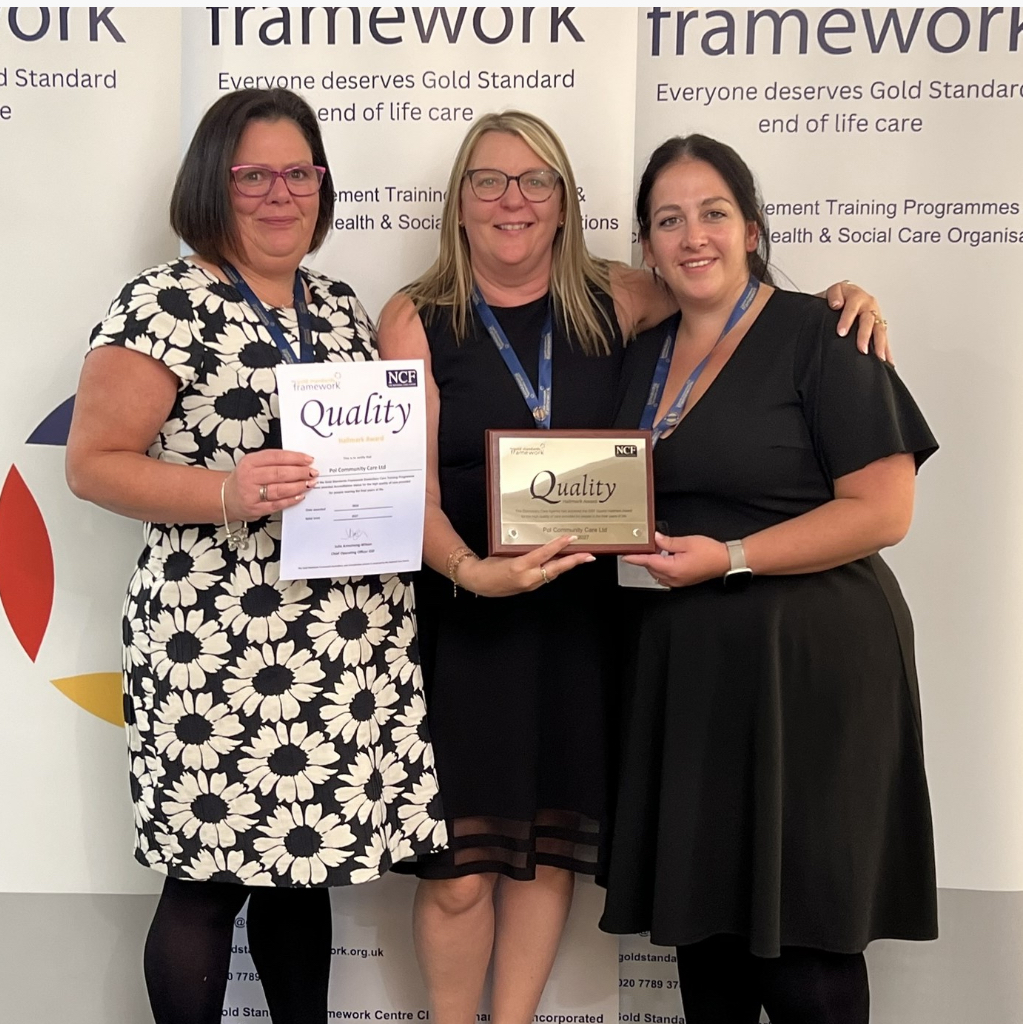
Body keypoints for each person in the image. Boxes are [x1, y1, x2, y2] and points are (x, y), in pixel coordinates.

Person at [376, 110, 888, 1024]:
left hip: (588, 620)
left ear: (568, 205)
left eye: (537, 182)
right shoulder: (416, 316)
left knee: (548, 853)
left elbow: (735, 308)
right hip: (471, 615)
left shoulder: (617, 297)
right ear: (458, 203)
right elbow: (402, 486)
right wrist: (468, 572)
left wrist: (840, 300)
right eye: (489, 181)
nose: (513, 200)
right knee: (461, 873)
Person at [65, 88, 443, 1024]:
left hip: (336, 638)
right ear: (213, 185)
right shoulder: (164, 301)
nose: (282, 193)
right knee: (206, 878)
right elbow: (92, 465)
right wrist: (224, 491)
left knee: (298, 872)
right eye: (254, 174)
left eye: (299, 172)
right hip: (216, 644)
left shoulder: (341, 305)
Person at [599, 134, 938, 1024]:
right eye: (667, 220)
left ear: (751, 228)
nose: (692, 236)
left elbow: (882, 510)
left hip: (809, 676)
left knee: (807, 943)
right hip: (690, 681)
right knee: (705, 938)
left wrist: (734, 557)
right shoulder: (641, 353)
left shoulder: (826, 331)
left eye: (713, 213)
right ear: (647, 246)